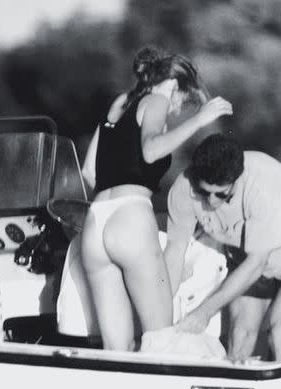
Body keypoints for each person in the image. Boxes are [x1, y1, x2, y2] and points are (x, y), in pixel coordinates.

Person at [79, 47, 232, 351]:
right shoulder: (158, 99)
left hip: (96, 222)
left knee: (116, 352)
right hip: (130, 217)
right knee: (161, 339)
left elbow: (88, 171)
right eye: (182, 102)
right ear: (174, 86)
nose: (175, 111)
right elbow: (151, 149)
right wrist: (199, 120)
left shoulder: (120, 103)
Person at [164, 133, 281, 360]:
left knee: (280, 335)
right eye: (204, 192)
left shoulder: (261, 187)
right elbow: (174, 253)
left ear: (237, 180)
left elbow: (256, 265)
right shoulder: (183, 189)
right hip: (249, 254)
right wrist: (160, 318)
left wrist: (204, 312)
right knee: (240, 334)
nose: (210, 202)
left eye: (221, 194)